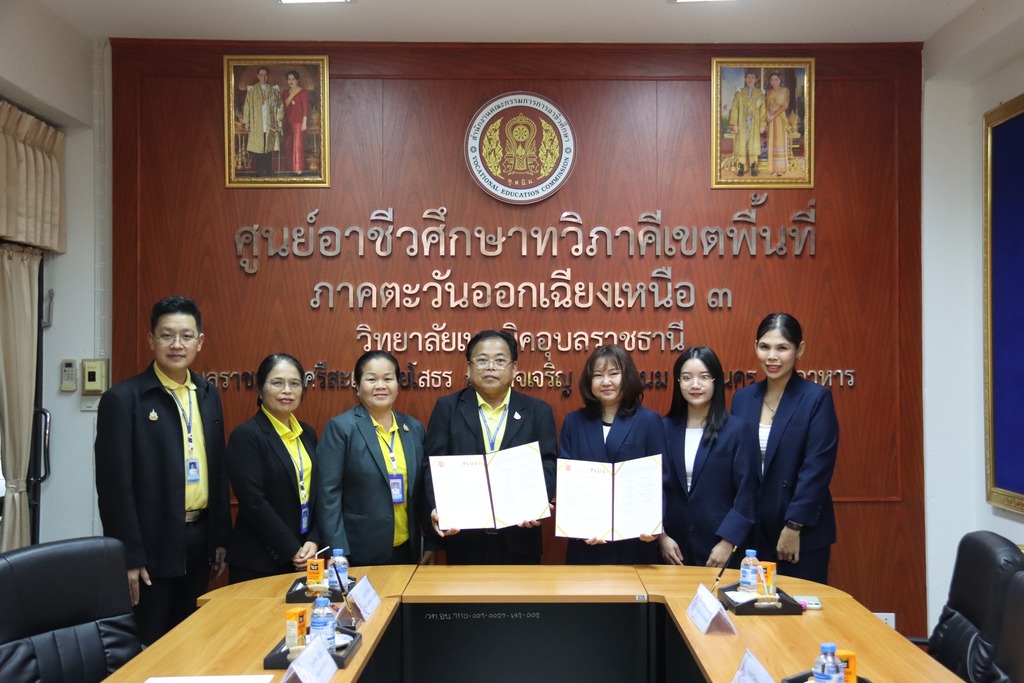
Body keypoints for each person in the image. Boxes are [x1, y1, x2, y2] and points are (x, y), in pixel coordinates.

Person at [95, 296, 230, 645]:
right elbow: (114, 487)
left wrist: (219, 537)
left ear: (200, 342)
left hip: (199, 538)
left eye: (186, 336)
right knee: (151, 643)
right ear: (151, 340)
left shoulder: (207, 393)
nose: (176, 345)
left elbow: (217, 468)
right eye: (167, 335)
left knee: (191, 639)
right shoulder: (124, 400)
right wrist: (129, 555)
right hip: (151, 545)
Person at [424, 329, 558, 564]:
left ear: (514, 368)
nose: (490, 367)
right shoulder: (447, 408)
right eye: (482, 360)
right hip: (464, 538)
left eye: (499, 360)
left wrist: (535, 504)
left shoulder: (538, 411)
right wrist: (440, 508)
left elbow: (548, 464)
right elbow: (432, 467)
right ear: (469, 367)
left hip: (520, 537)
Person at [730, 313, 840, 583]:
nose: (772, 356)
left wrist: (794, 525)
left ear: (799, 350)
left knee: (798, 605)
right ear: (755, 346)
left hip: (799, 533)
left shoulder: (816, 398)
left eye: (782, 348)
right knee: (751, 606)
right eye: (765, 347)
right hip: (753, 533)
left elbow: (817, 467)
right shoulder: (743, 399)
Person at [317, 351, 430, 566]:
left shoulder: (413, 428)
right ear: (357, 386)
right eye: (371, 379)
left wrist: (430, 541)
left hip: (407, 549)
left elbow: (422, 490)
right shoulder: (341, 428)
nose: (380, 386)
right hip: (359, 551)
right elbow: (328, 494)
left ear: (397, 384)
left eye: (388, 378)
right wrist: (336, 550)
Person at [558, 344, 666, 564]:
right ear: (589, 382)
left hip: (635, 543)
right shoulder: (573, 422)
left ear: (627, 377)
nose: (606, 382)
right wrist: (579, 527)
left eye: (614, 374)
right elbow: (566, 483)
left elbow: (662, 480)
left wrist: (654, 524)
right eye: (598, 375)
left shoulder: (649, 421)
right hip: (586, 544)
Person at [660, 346, 759, 568]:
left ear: (716, 381)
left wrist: (728, 541)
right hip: (673, 549)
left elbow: (747, 493)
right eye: (687, 378)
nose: (695, 385)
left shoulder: (736, 430)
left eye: (704, 377)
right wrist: (661, 536)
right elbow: (653, 488)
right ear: (678, 382)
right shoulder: (663, 428)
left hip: (719, 548)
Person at [226, 353, 319, 583]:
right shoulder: (247, 436)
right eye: (277, 383)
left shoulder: (307, 434)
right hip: (260, 562)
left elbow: (319, 493)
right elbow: (253, 502)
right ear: (260, 389)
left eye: (294, 383)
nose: (287, 390)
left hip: (305, 555)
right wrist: (291, 549)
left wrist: (314, 539)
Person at [241, 66, 282, 175]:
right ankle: (259, 171)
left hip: (269, 123)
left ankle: (268, 170)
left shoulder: (273, 90)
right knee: (258, 148)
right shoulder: (252, 90)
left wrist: (279, 119)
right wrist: (246, 122)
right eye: (261, 75)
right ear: (258, 76)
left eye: (265, 75)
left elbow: (280, 105)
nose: (264, 77)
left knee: (268, 147)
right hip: (257, 123)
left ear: (268, 76)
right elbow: (247, 106)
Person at [727, 70, 766, 177]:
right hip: (742, 122)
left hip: (754, 123)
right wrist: (734, 123)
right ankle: (741, 167)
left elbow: (763, 111)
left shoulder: (760, 94)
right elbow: (735, 108)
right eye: (748, 77)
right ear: (745, 79)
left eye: (752, 77)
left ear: (755, 79)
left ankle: (753, 166)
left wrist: (762, 125)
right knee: (742, 144)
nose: (750, 79)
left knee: (753, 144)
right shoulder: (739, 93)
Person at [281, 70, 309, 174]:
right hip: (287, 122)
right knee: (287, 145)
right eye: (289, 79)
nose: (291, 81)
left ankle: (298, 168)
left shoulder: (303, 92)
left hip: (298, 123)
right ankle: (289, 167)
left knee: (297, 146)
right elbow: (283, 108)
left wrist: (304, 122)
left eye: (293, 79)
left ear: (297, 80)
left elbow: (305, 108)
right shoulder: (285, 93)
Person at [765, 72, 790, 176]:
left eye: (776, 79)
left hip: (779, 118)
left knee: (779, 140)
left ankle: (781, 169)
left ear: (780, 80)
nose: (774, 81)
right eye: (772, 80)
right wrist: (768, 115)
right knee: (772, 141)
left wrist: (774, 115)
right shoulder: (769, 92)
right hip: (771, 119)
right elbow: (766, 106)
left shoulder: (785, 91)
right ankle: (773, 168)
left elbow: (784, 106)